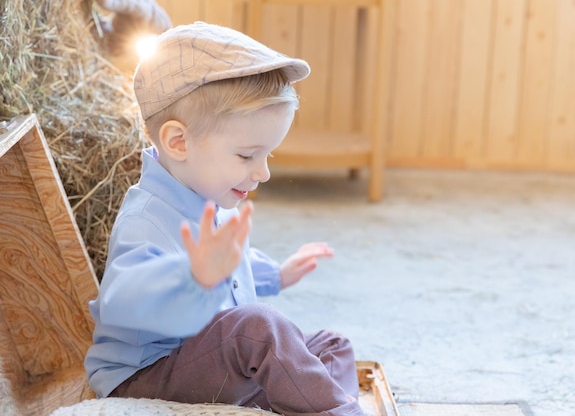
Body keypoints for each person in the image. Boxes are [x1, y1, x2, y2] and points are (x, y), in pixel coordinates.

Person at [84, 22, 367, 416]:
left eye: (268, 155)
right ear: (178, 142)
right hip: (150, 374)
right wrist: (192, 278)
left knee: (333, 345)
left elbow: (231, 262)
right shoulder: (144, 219)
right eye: (247, 155)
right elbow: (123, 301)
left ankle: (325, 405)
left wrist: (276, 275)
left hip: (217, 365)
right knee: (260, 330)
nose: (263, 172)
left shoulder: (207, 196)